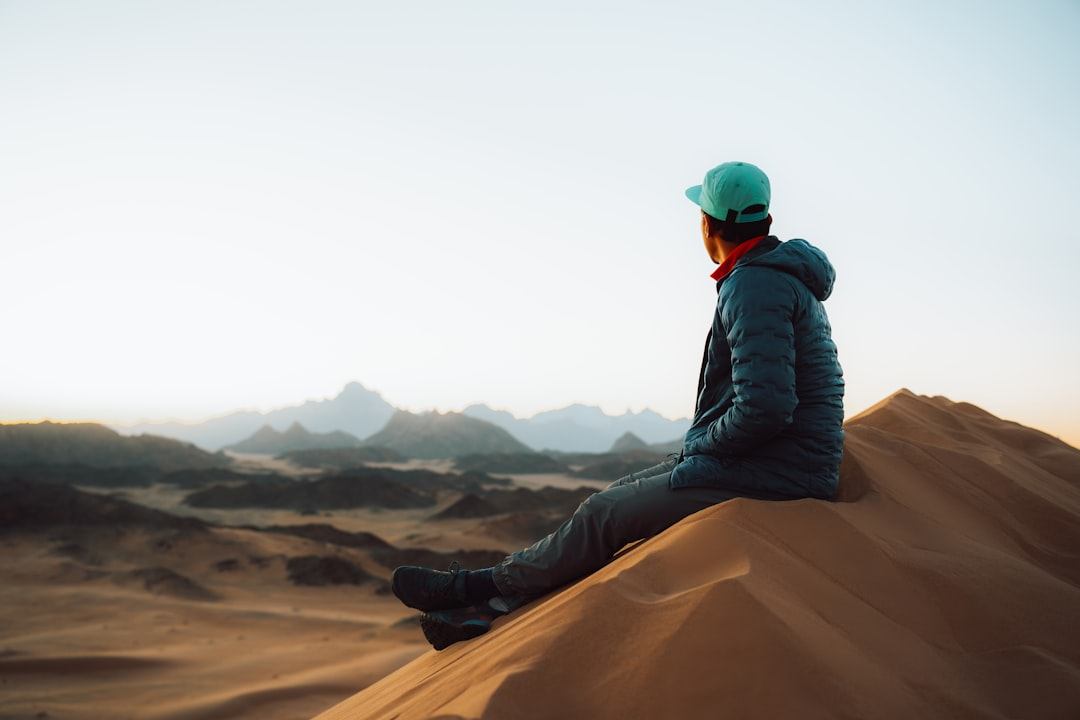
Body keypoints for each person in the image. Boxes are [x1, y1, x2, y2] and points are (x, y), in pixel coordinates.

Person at [391, 161, 846, 650]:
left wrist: (706, 446)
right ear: (767, 222)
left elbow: (766, 407)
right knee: (619, 494)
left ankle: (476, 589)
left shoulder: (753, 284)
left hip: (779, 471)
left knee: (605, 512)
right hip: (779, 460)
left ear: (707, 225)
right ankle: (494, 605)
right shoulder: (775, 276)